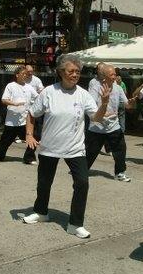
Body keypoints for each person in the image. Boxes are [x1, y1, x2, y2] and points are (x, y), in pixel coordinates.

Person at [22, 54, 110, 238]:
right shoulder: (48, 92)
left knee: (82, 183)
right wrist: (29, 134)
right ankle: (41, 212)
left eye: (78, 72)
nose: (75, 74)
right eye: (71, 71)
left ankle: (75, 224)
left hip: (75, 149)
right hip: (49, 147)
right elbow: (31, 114)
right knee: (44, 183)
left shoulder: (83, 94)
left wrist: (105, 103)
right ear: (61, 72)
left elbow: (96, 118)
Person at [85, 64, 136, 182]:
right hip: (97, 125)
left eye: (115, 74)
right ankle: (82, 170)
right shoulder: (96, 87)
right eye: (112, 74)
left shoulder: (118, 88)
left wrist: (131, 102)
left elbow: (127, 104)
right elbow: (91, 105)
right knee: (91, 151)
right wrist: (103, 112)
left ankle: (120, 172)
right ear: (104, 77)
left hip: (114, 125)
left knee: (121, 149)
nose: (115, 76)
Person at [0, 66, 39, 164]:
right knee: (5, 141)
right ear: (17, 75)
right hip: (11, 121)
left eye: (26, 74)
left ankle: (29, 158)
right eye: (23, 74)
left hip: (25, 120)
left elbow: (38, 98)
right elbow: (4, 100)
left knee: (33, 138)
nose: (25, 76)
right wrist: (14, 104)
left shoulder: (29, 87)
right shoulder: (11, 86)